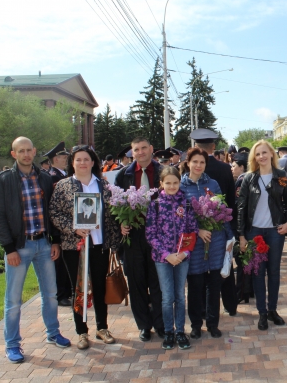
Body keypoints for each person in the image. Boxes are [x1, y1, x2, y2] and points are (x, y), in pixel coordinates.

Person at [0, 137, 70, 363]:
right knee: (13, 300)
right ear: (14, 154)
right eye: (21, 151)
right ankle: (12, 344)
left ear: (34, 152)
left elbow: (51, 212)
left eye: (29, 150)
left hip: (44, 244)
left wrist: (54, 241)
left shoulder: (43, 178)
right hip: (20, 247)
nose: (26, 154)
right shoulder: (3, 180)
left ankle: (53, 332)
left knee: (51, 295)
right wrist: (8, 248)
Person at [49, 145, 120, 350]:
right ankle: (81, 331)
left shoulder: (104, 186)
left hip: (99, 244)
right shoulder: (63, 186)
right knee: (78, 288)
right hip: (75, 246)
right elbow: (54, 213)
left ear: (93, 162)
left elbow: (113, 213)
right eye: (78, 159)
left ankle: (102, 327)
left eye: (86, 159)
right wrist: (73, 228)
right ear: (72, 163)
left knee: (99, 286)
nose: (82, 163)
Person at [237, 140, 287, 330]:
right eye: (257, 154)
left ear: (271, 153)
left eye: (264, 152)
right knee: (258, 273)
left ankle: (272, 310)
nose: (261, 156)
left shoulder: (281, 176)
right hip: (254, 232)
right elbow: (242, 208)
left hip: (275, 232)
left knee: (274, 273)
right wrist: (242, 235)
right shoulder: (249, 178)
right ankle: (262, 312)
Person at [180, 147, 235, 339]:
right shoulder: (180, 186)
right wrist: (197, 230)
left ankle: (213, 323)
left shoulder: (213, 184)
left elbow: (223, 209)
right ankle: (196, 324)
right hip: (194, 244)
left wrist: (230, 238)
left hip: (216, 240)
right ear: (188, 163)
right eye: (195, 162)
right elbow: (179, 218)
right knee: (195, 284)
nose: (198, 165)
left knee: (214, 284)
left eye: (202, 162)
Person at [114, 137, 165, 342]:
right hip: (134, 235)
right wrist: (120, 223)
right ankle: (144, 325)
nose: (141, 152)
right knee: (136, 282)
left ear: (151, 149)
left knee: (158, 281)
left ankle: (160, 323)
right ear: (132, 153)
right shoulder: (123, 176)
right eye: (137, 149)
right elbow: (114, 204)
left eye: (144, 148)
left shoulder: (163, 172)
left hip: (158, 235)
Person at [190, 128, 238, 316]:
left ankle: (202, 308)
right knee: (224, 268)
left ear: (196, 146)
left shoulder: (189, 167)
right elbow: (231, 201)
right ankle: (230, 305)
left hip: (199, 229)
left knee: (200, 271)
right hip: (221, 226)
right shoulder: (225, 168)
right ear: (214, 146)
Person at [145, 167, 194, 350]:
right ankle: (168, 332)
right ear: (161, 184)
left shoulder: (186, 204)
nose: (172, 186)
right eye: (168, 183)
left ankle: (180, 331)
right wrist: (166, 254)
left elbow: (192, 230)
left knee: (180, 296)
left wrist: (184, 253)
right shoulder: (155, 205)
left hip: (182, 257)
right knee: (167, 298)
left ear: (179, 183)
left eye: (175, 182)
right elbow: (151, 234)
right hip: (162, 259)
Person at [44, 141, 73, 307]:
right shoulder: (53, 177)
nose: (65, 159)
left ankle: (66, 291)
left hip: (65, 225)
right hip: (59, 226)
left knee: (65, 261)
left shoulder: (62, 175)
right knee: (60, 262)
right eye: (63, 157)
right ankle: (61, 293)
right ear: (55, 159)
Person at [231, 152, 252, 304]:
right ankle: (249, 290)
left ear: (242, 166)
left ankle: (241, 292)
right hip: (253, 224)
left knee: (242, 259)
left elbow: (239, 205)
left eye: (234, 166)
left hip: (243, 225)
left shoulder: (242, 180)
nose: (232, 169)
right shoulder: (253, 176)